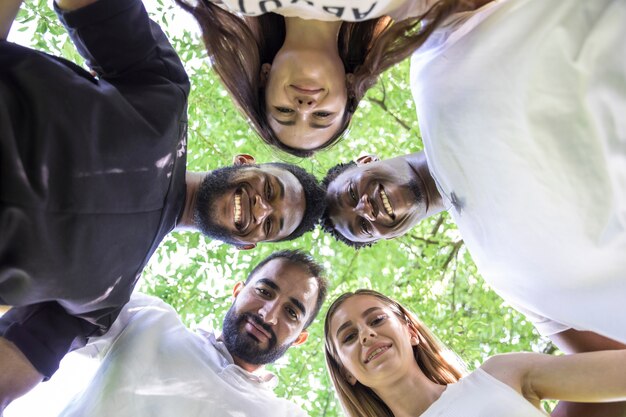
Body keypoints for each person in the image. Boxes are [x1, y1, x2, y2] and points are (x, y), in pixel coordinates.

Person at [0, 0, 325, 408]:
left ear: (248, 244)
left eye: (271, 224)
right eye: (269, 190)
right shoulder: (164, 93)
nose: (260, 209)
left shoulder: (102, 307)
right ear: (245, 162)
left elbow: (12, 365)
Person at [8, 250, 329, 416]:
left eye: (291, 312)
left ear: (300, 337)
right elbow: (60, 285)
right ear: (237, 291)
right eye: (264, 291)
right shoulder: (148, 318)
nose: (267, 314)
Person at [174, 0, 493, 156]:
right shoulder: (414, 6)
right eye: (322, 116)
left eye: (285, 111)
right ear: (350, 88)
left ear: (265, 76)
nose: (304, 106)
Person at [325, 289, 626, 417]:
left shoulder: (501, 375)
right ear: (347, 373)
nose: (366, 334)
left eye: (377, 319)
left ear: (411, 332)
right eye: (349, 336)